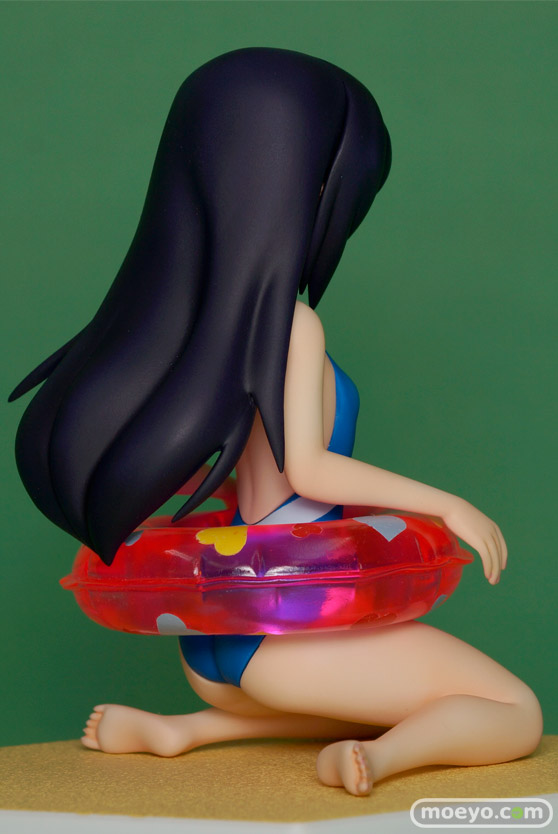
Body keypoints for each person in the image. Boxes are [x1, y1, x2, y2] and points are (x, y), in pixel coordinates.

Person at [10, 48, 542, 796]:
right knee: (514, 711)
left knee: (354, 696)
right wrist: (446, 504)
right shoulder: (291, 326)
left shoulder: (194, 327)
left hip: (215, 643)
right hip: (289, 630)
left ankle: (185, 730)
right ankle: (378, 760)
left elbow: (231, 474)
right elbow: (309, 472)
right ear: (303, 185)